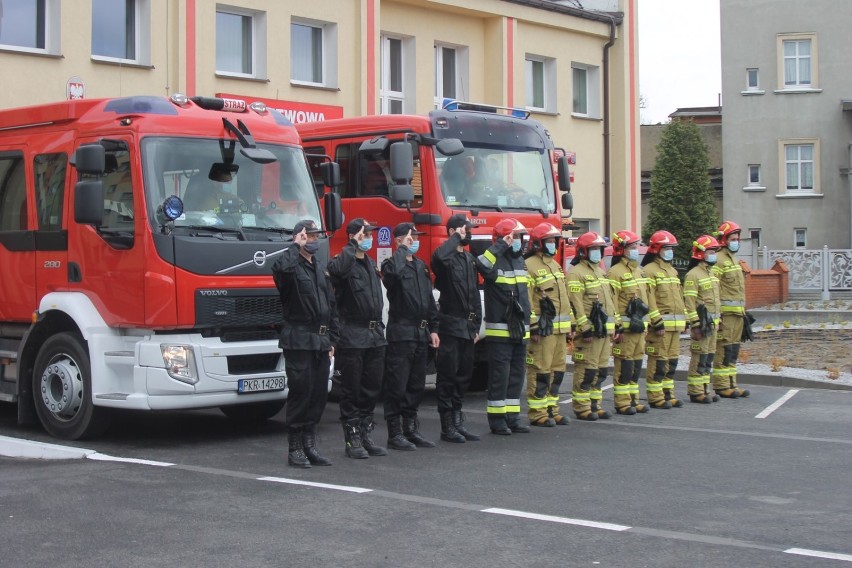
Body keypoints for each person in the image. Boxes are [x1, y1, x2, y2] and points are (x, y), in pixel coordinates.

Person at [271, 219, 339, 468]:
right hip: (299, 339)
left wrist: (333, 339)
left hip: (321, 341)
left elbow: (331, 306)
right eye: (309, 236)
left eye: (314, 236)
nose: (313, 240)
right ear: (299, 237)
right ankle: (295, 448)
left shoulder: (318, 267)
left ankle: (310, 444)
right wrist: (294, 246)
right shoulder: (290, 266)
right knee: (301, 392)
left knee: (319, 394)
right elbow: (279, 269)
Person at [327, 218, 388, 459]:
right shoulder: (344, 262)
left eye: (370, 234)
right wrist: (351, 244)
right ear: (354, 236)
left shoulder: (370, 264)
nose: (369, 238)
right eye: (365, 234)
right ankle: (352, 440)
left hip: (374, 336)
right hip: (352, 335)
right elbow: (336, 272)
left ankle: (366, 434)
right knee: (351, 390)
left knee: (371, 388)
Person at [381, 222, 440, 450]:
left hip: (420, 333)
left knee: (416, 385)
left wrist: (433, 329)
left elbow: (429, 301)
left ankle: (411, 429)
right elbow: (391, 277)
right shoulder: (391, 265)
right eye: (409, 237)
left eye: (415, 238)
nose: (414, 241)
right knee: (398, 385)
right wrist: (401, 251)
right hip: (401, 333)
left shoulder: (421, 266)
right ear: (398, 240)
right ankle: (394, 433)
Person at [475, 218, 532, 435]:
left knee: (517, 376)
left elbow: (524, 297)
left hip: (520, 331)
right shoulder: (493, 260)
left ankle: (512, 417)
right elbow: (481, 264)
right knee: (500, 376)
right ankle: (497, 420)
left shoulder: (520, 262)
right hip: (500, 332)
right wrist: (501, 245)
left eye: (519, 237)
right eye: (514, 237)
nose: (518, 241)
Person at [431, 214, 483, 443]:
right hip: (450, 326)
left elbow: (475, 295)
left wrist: (475, 326)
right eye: (463, 229)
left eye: (468, 229)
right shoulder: (445, 259)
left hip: (467, 328)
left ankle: (458, 421)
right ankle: (447, 426)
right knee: (448, 377)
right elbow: (439, 257)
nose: (467, 232)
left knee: (463, 377)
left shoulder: (470, 259)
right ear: (453, 232)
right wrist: (454, 239)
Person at [566, 232, 619, 421]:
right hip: (589, 332)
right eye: (593, 249)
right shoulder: (576, 273)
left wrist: (615, 326)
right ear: (583, 251)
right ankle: (582, 407)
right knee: (587, 370)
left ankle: (595, 405)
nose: (597, 252)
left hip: (604, 331)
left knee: (601, 370)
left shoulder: (600, 271)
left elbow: (609, 302)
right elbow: (575, 303)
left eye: (599, 249)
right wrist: (584, 327)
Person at [524, 222, 573, 427]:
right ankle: (538, 413)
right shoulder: (529, 265)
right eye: (550, 241)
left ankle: (553, 409)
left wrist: (570, 325)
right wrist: (533, 326)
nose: (553, 245)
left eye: (555, 241)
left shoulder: (555, 265)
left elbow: (564, 298)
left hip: (560, 330)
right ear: (539, 243)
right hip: (543, 331)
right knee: (540, 370)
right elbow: (526, 300)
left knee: (557, 371)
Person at [607, 230, 651, 415]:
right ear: (621, 249)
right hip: (625, 331)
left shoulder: (638, 271)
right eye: (632, 247)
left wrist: (647, 325)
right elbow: (612, 302)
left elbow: (645, 301)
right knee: (624, 367)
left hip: (639, 329)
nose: (636, 249)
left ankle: (633, 400)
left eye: (636, 246)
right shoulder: (615, 273)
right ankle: (622, 402)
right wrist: (618, 327)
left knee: (635, 367)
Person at [641, 230, 687, 409]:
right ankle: (655, 396)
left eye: (672, 248)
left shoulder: (672, 271)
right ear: (657, 249)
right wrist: (656, 321)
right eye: (667, 248)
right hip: (660, 327)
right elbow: (649, 298)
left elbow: (679, 297)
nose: (670, 251)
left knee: (672, 362)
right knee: (659, 362)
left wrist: (685, 320)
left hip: (675, 326)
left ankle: (669, 394)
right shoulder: (649, 271)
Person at [711, 221, 751, 398]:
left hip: (737, 314)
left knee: (733, 349)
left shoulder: (734, 259)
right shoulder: (718, 260)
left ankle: (732, 384)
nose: (736, 241)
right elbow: (715, 289)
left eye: (737, 238)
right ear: (724, 240)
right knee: (724, 349)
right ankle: (721, 386)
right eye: (733, 239)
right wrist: (717, 316)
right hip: (725, 315)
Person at [683, 235, 722, 404]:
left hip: (712, 324)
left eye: (714, 251)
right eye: (710, 251)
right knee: (699, 356)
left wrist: (719, 320)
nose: (713, 254)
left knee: (708, 357)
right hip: (701, 325)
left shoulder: (712, 274)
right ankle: (695, 391)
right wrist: (695, 325)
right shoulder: (693, 275)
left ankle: (705, 388)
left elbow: (715, 301)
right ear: (700, 253)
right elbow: (689, 303)